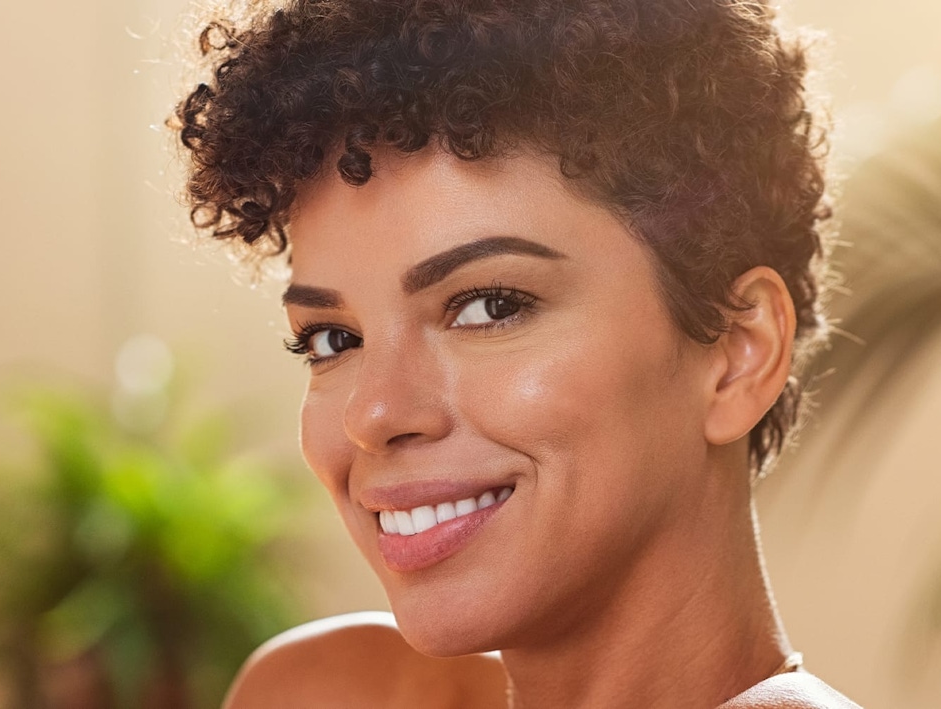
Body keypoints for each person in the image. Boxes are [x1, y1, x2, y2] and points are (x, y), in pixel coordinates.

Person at [174, 0, 859, 706]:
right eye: (333, 339)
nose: (374, 413)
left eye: (489, 306)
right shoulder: (328, 691)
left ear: (739, 353)